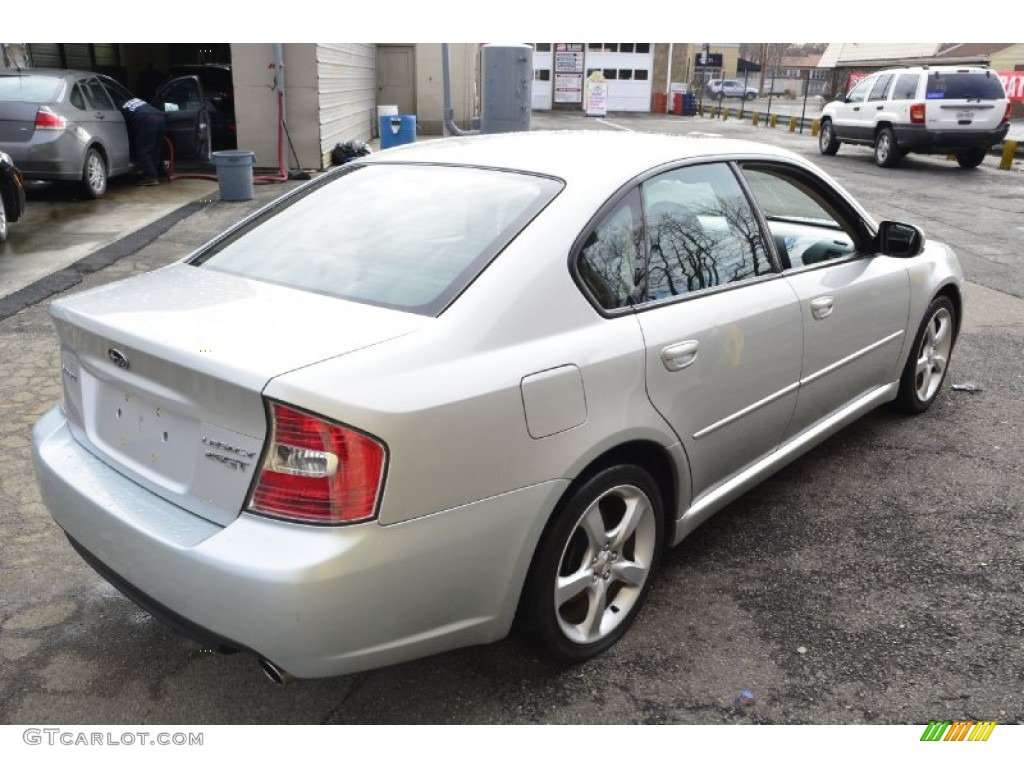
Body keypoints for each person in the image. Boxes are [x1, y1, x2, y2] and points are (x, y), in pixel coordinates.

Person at [118, 97, 166, 186]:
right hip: (160, 117)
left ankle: (151, 177)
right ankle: (156, 173)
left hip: (147, 120)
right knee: (156, 149)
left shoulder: (120, 109)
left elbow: (127, 127)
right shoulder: (136, 100)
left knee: (143, 151)